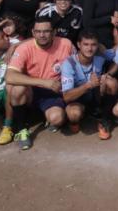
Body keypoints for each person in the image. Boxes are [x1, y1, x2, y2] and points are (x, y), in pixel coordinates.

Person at [6, 17, 75, 150]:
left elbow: (75, 66)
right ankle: (21, 130)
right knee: (16, 88)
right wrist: (43, 82)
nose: (42, 35)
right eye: (38, 31)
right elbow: (9, 76)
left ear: (54, 32)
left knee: (57, 119)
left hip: (54, 90)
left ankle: (43, 116)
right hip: (31, 90)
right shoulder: (25, 48)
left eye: (46, 31)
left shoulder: (66, 44)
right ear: (33, 32)